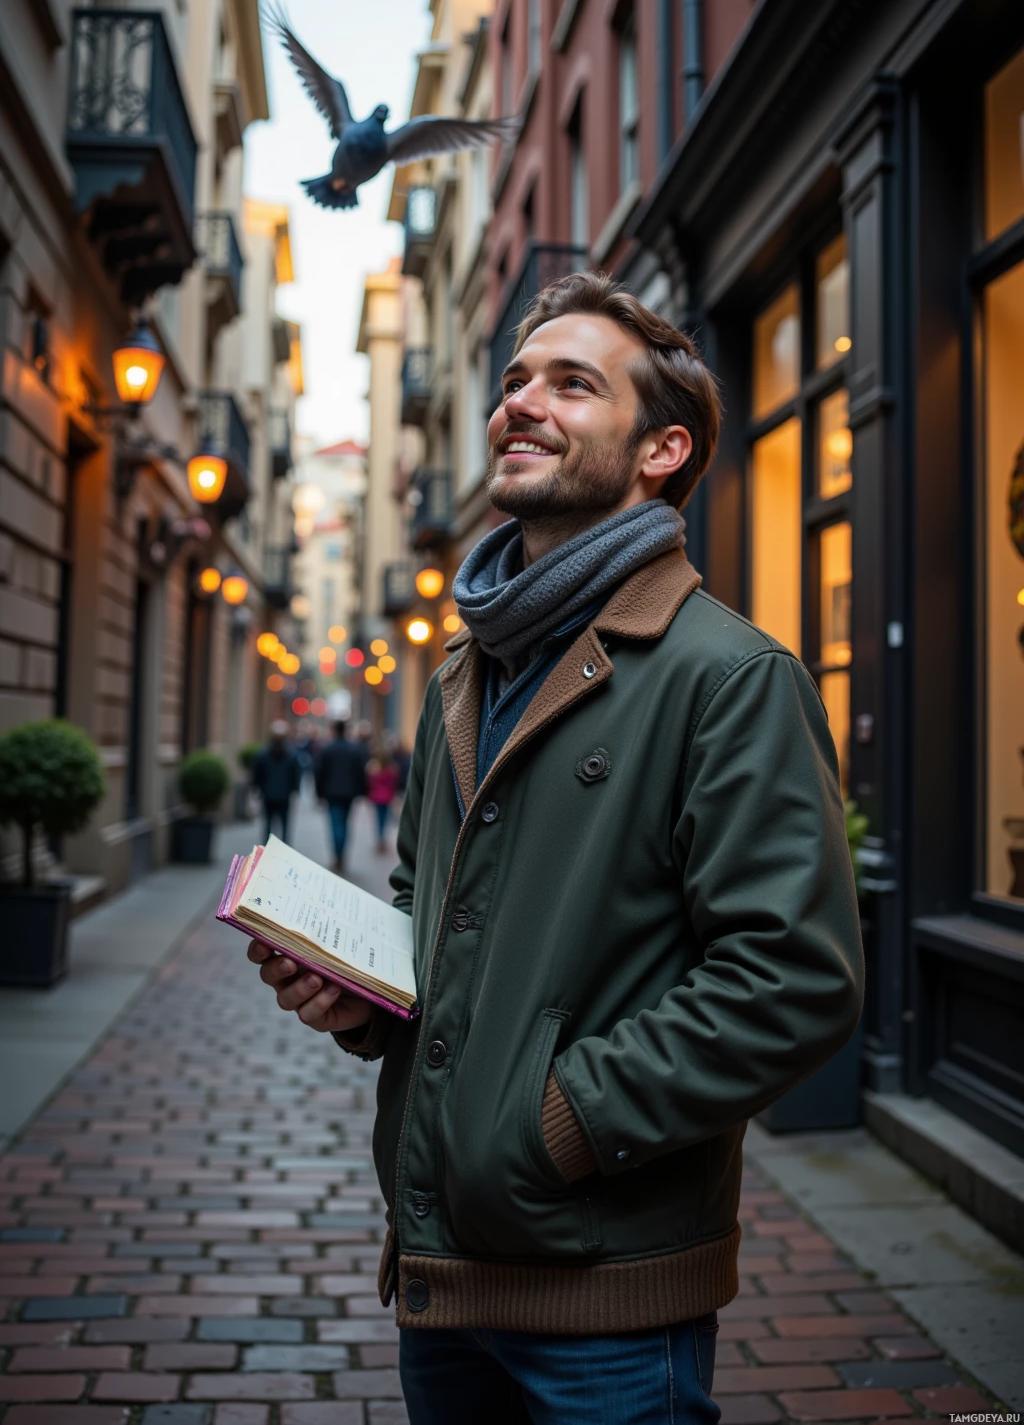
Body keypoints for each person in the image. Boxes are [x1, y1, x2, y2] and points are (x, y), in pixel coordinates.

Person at [250, 272, 864, 1424]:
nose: (520, 402)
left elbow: (793, 981)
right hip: (442, 1270)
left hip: (608, 1302)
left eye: (572, 386)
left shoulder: (727, 678)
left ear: (660, 450)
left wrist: (559, 1123)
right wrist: (361, 996)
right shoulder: (462, 675)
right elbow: (432, 901)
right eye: (516, 380)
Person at [314, 718, 367, 872]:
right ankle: (341, 856)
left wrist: (319, 794)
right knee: (344, 824)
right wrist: (361, 791)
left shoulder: (327, 749)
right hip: (349, 793)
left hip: (332, 793)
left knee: (335, 824)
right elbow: (360, 772)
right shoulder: (354, 749)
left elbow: (319, 773)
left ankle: (338, 856)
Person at [251, 720, 301, 845]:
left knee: (268, 824)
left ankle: (267, 848)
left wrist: (257, 788)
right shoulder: (291, 754)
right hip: (283, 794)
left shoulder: (263, 754)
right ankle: (283, 847)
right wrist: (295, 789)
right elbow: (296, 775)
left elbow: (257, 774)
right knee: (283, 825)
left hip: (269, 794)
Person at [366, 746, 401, 854]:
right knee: (385, 819)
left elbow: (370, 784)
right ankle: (382, 839)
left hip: (377, 797)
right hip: (387, 797)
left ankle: (380, 838)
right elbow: (394, 785)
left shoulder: (374, 770)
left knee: (379, 819)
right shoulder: (392, 770)